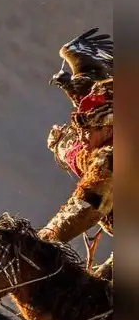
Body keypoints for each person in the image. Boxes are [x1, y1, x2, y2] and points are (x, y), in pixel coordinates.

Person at [39, 79, 113, 280]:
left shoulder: (111, 161)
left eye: (87, 131)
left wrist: (40, 241)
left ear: (107, 129)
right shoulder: (92, 149)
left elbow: (85, 207)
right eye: (79, 132)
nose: (81, 137)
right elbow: (76, 152)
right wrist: (60, 143)